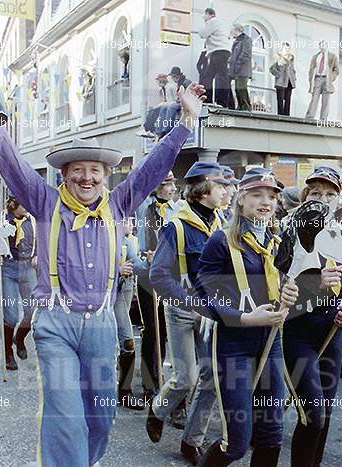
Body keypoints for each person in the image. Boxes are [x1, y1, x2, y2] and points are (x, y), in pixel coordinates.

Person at [0, 63, 205, 466]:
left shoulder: (118, 204)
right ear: (63, 176)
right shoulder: (44, 202)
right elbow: (6, 156)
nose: (87, 178)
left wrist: (186, 119)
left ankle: (89, 459)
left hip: (100, 324)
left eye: (94, 171)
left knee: (101, 415)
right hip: (56, 323)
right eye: (77, 171)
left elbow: (154, 167)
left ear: (106, 176)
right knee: (65, 415)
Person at [195, 167, 299, 466]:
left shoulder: (281, 243)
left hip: (271, 342)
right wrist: (244, 318)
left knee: (271, 434)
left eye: (271, 196)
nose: (265, 201)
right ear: (240, 200)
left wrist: (292, 295)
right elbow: (203, 298)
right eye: (256, 195)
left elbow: (289, 288)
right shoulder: (220, 241)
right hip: (233, 344)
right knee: (237, 443)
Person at [147, 162, 230, 465]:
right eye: (221, 185)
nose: (227, 191)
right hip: (183, 311)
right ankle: (157, 410)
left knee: (211, 379)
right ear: (202, 190)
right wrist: (190, 303)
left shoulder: (223, 223)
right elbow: (158, 275)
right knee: (186, 377)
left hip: (212, 314)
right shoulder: (176, 226)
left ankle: (190, 441)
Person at [278, 166, 342, 466]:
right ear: (306, 196)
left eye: (330, 194)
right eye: (316, 193)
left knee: (326, 413)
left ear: (339, 198)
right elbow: (277, 283)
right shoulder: (288, 230)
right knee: (313, 414)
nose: (323, 199)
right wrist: (314, 283)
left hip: (332, 333)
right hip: (297, 331)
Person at [135, 171, 179, 401]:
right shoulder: (144, 207)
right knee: (153, 329)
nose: (171, 189)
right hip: (146, 275)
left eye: (172, 184)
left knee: (168, 328)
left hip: (170, 277)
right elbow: (136, 238)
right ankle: (149, 382)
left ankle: (168, 380)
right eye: (166, 184)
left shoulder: (177, 209)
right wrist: (146, 257)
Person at [0, 195, 38, 370]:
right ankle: (8, 352)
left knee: (32, 313)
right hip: (8, 269)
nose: (27, 207)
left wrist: (38, 255)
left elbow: (42, 242)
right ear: (13, 204)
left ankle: (20, 338)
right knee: (10, 315)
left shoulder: (33, 220)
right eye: (23, 204)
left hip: (28, 268)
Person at [114, 217, 147, 410]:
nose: (130, 225)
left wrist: (152, 263)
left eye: (132, 221)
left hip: (124, 291)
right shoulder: (103, 237)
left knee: (123, 340)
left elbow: (138, 265)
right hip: (104, 295)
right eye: (126, 221)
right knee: (126, 340)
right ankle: (121, 392)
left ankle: (123, 391)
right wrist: (117, 270)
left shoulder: (127, 241)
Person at [198, 8, 232, 108]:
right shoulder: (217, 23)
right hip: (218, 52)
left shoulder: (213, 22)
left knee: (220, 77)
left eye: (205, 15)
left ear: (209, 14)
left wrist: (199, 30)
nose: (204, 17)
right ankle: (207, 99)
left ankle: (222, 101)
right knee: (208, 77)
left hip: (219, 51)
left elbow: (203, 34)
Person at [305, 41, 339, 120]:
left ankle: (323, 118)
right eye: (321, 46)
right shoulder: (316, 57)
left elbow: (336, 70)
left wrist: (331, 78)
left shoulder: (332, 56)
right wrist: (311, 79)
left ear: (327, 46)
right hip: (317, 78)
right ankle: (310, 116)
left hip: (327, 79)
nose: (322, 47)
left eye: (324, 46)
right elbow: (311, 69)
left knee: (325, 99)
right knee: (314, 98)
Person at [229, 24, 252, 111]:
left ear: (236, 30)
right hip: (237, 70)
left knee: (241, 88)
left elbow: (246, 54)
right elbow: (234, 55)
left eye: (232, 31)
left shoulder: (246, 39)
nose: (231, 33)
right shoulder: (237, 41)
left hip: (243, 69)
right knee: (237, 88)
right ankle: (240, 106)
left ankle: (246, 107)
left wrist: (237, 65)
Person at [270, 41, 296, 116]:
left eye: (288, 48)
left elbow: (293, 69)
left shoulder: (291, 58)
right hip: (280, 81)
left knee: (288, 99)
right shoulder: (277, 57)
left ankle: (287, 115)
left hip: (290, 81)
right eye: (285, 48)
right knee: (280, 99)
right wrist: (278, 75)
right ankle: (280, 114)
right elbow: (272, 68)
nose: (287, 50)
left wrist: (294, 77)